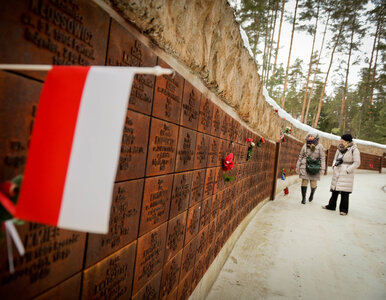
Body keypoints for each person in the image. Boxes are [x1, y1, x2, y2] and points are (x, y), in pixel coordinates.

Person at [322, 134, 360, 215]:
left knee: (344, 192)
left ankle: (343, 210)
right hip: (338, 170)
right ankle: (331, 206)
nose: (340, 141)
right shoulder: (339, 148)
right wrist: (333, 165)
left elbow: (357, 162)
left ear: (347, 141)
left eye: (342, 139)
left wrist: (347, 170)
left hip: (346, 172)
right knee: (334, 189)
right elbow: (335, 158)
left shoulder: (354, 149)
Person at [296, 131, 325, 204]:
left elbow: (322, 158)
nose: (310, 137)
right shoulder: (305, 145)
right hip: (305, 165)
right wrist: (298, 166)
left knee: (313, 183)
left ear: (315, 137)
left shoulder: (320, 146)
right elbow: (301, 156)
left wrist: (322, 169)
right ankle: (303, 198)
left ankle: (312, 194)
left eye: (312, 136)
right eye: (309, 136)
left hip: (315, 166)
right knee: (304, 181)